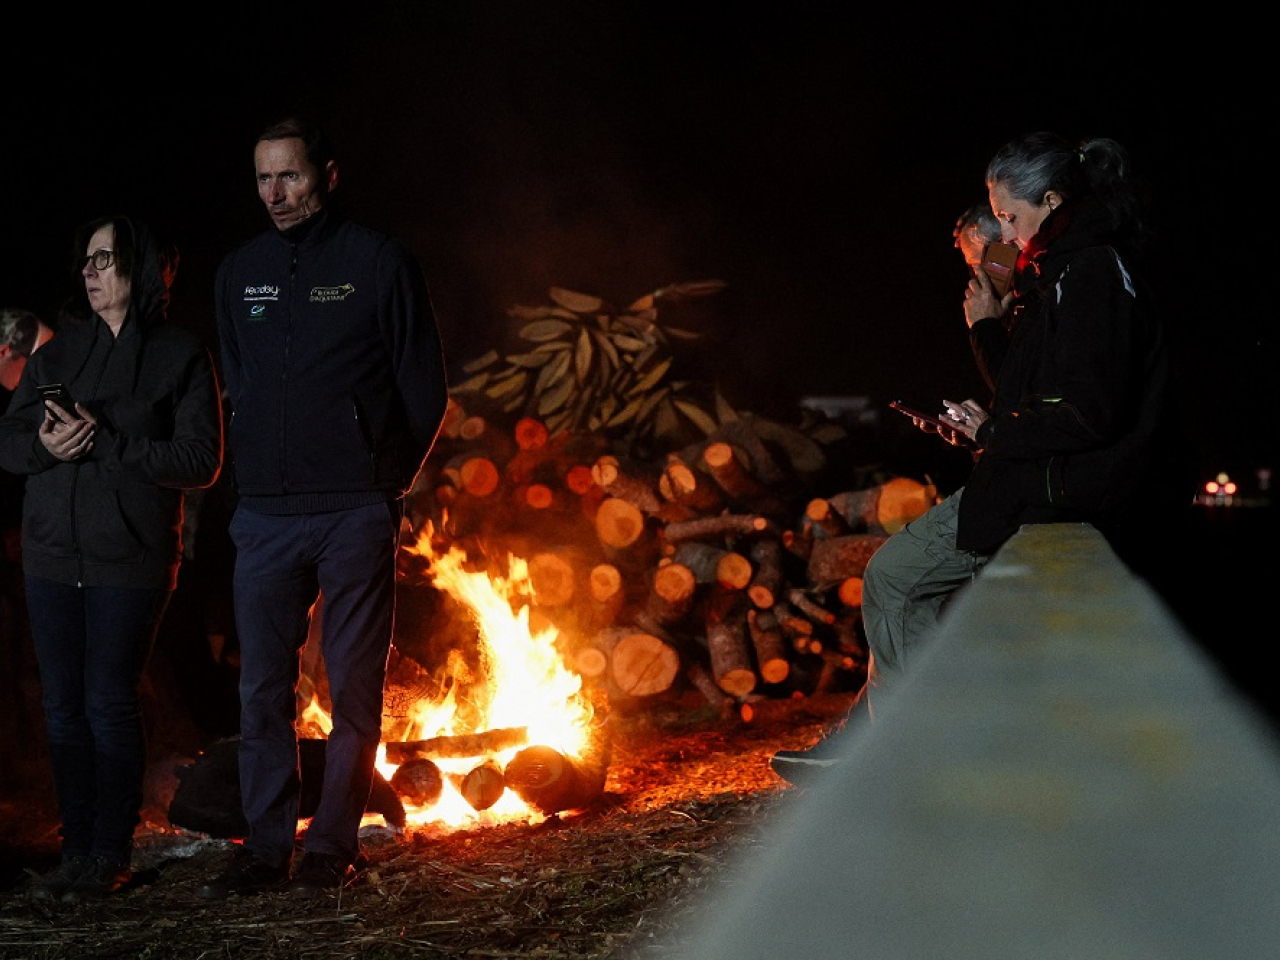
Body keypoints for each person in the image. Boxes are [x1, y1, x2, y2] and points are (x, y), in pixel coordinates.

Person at [773, 132, 1188, 781]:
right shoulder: (1059, 269)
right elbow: (1034, 391)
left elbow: (1071, 406)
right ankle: (869, 739)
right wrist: (985, 412)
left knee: (898, 582)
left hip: (1052, 487)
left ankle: (914, 752)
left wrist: (989, 351)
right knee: (924, 604)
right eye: (977, 257)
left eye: (997, 237)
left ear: (1028, 210)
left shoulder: (1066, 273)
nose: (987, 264)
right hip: (1040, 474)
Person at [198, 115, 449, 900]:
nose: (277, 193)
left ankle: (331, 845)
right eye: (265, 179)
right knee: (262, 687)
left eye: (292, 176)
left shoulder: (378, 262)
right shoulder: (240, 272)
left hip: (353, 511)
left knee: (353, 688)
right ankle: (266, 846)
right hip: (266, 515)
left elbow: (425, 389)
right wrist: (247, 481)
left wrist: (387, 485)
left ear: (328, 176)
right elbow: (237, 382)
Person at [0, 217, 225, 902]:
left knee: (106, 700)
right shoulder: (57, 356)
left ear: (146, 267)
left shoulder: (179, 355)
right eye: (88, 260)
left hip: (128, 559)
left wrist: (109, 446)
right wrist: (46, 448)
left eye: (108, 259)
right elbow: (7, 446)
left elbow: (201, 460)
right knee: (63, 706)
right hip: (49, 557)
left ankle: (110, 853)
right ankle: (77, 852)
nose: (92, 272)